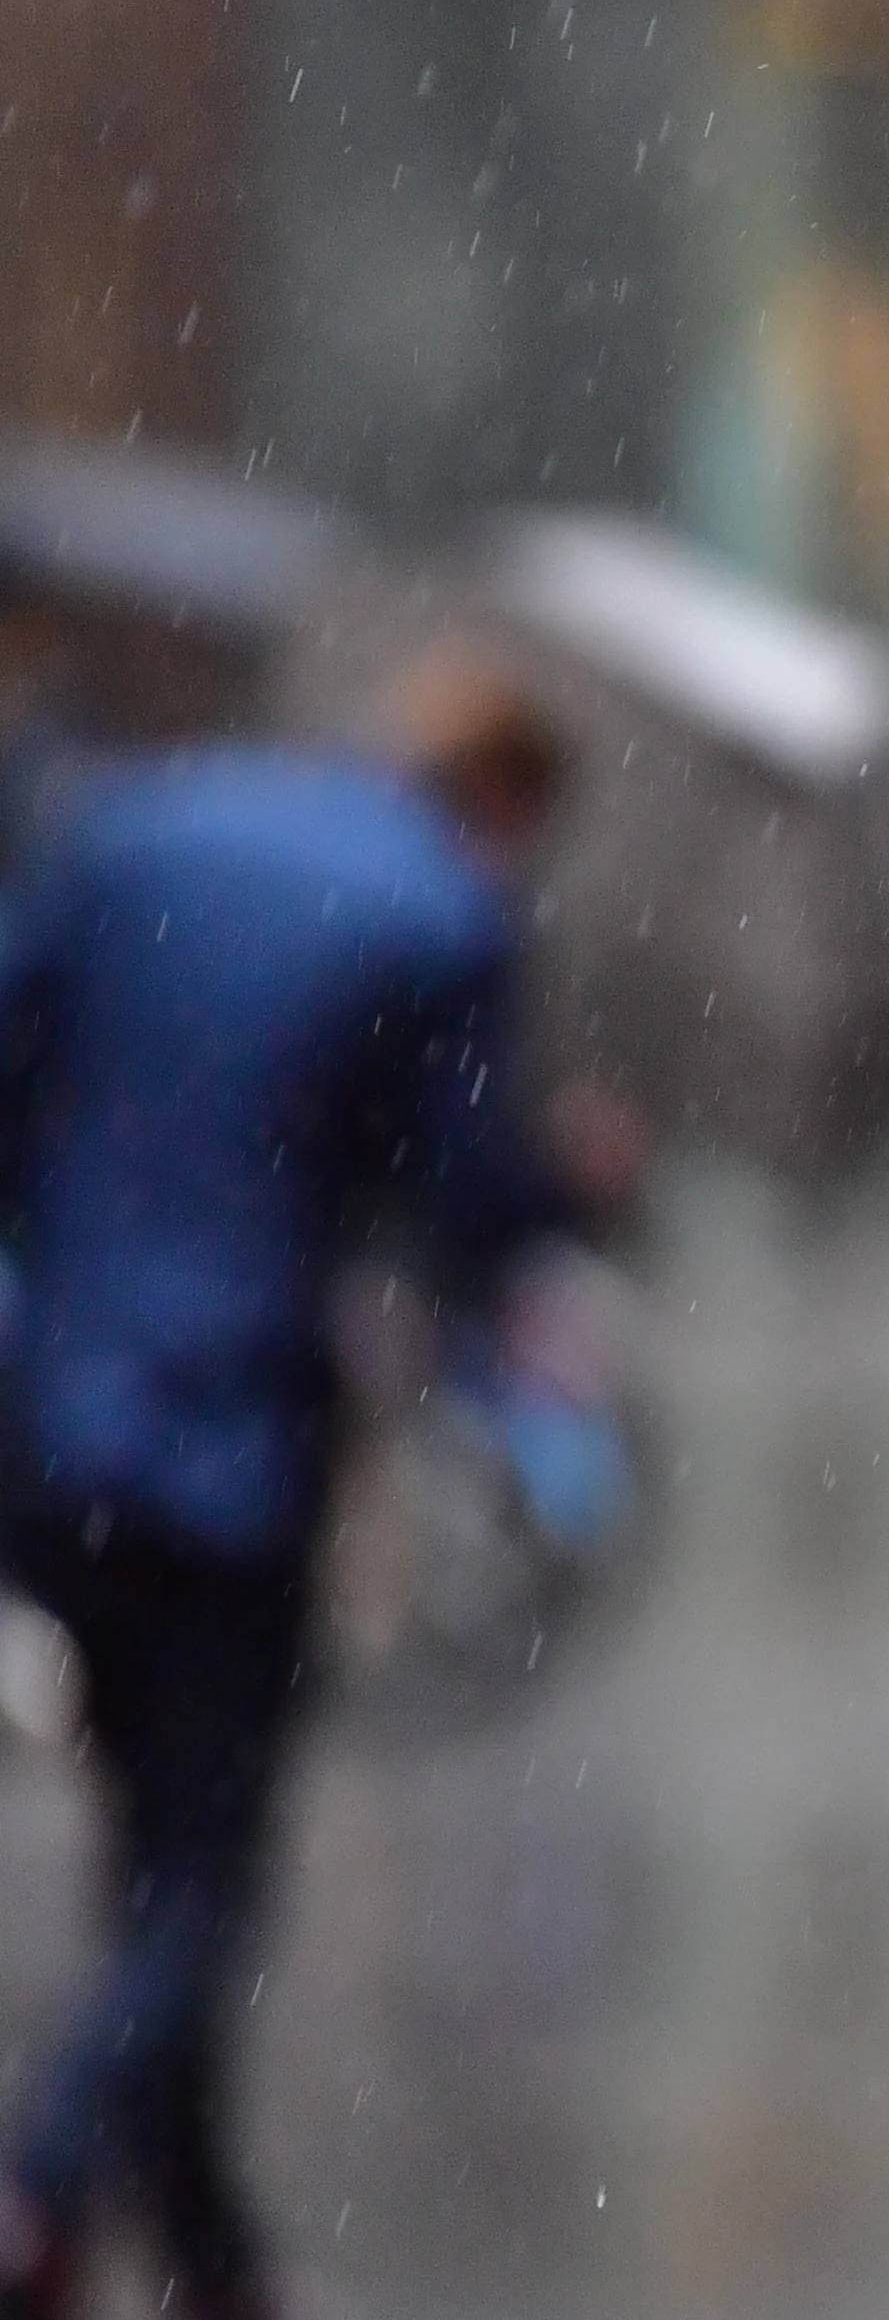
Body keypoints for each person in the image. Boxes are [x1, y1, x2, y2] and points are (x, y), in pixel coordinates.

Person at [0, 651, 632, 2320]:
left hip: (52, 1421)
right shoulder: (443, 917)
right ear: (508, 802)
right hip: (225, 1450)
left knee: (157, 1852)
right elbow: (472, 1207)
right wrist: (571, 1180)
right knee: (204, 1874)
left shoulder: (138, 826)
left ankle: (210, 2256)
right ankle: (41, 2184)